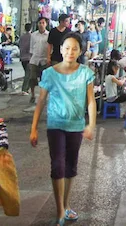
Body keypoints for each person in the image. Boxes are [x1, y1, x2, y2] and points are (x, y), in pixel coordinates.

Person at [30, 33, 96, 225]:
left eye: (75, 48)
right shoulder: (50, 73)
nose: (70, 52)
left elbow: (91, 101)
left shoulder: (86, 73)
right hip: (56, 125)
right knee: (57, 165)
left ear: (80, 51)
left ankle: (66, 204)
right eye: (67, 48)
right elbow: (41, 101)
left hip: (76, 126)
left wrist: (90, 125)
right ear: (60, 49)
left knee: (70, 167)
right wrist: (33, 128)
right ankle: (60, 210)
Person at [28, 17, 49, 104]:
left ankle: (43, 96)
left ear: (46, 24)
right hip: (35, 59)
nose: (41, 25)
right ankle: (33, 95)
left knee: (44, 80)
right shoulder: (33, 35)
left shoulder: (49, 35)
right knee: (32, 79)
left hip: (44, 59)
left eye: (43, 23)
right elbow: (31, 47)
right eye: (40, 23)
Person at [18, 23, 33, 96]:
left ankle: (27, 89)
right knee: (28, 74)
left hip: (22, 57)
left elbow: (19, 45)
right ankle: (24, 89)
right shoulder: (32, 36)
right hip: (29, 57)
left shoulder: (22, 36)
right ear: (31, 28)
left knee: (28, 73)